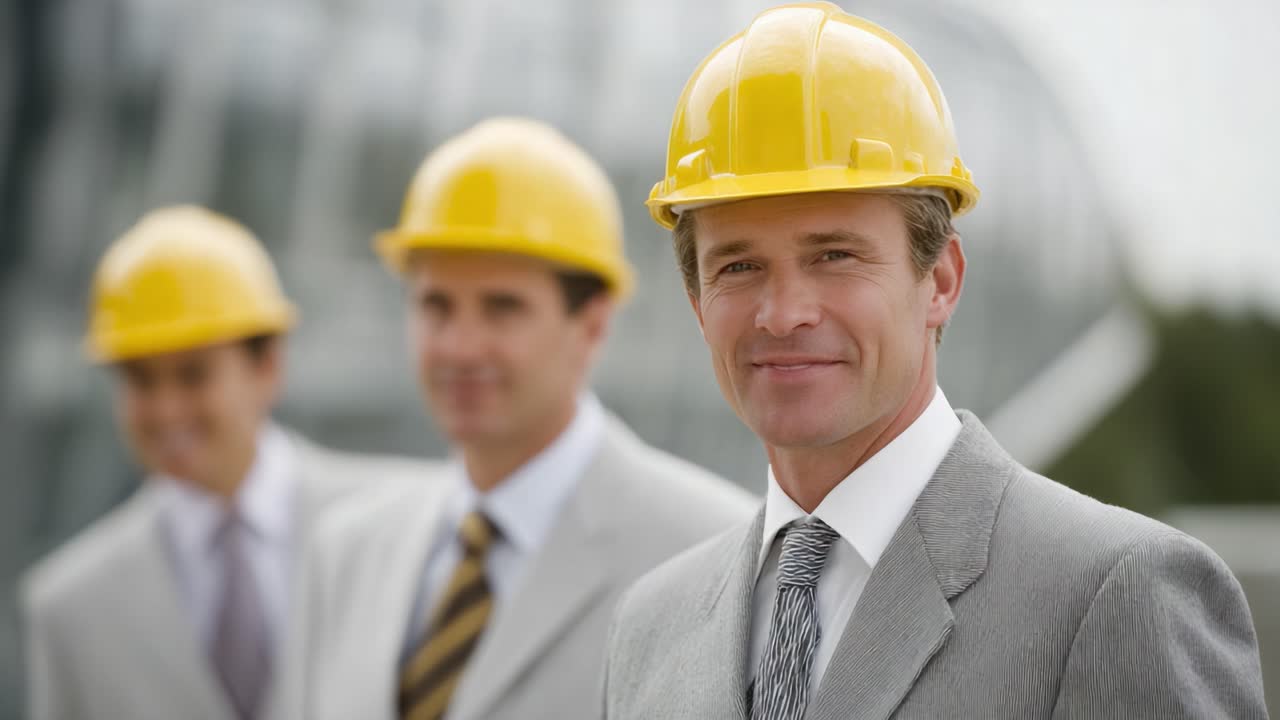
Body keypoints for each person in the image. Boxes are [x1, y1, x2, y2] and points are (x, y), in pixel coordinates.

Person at [603, 4, 1269, 719]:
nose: (783, 311)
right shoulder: (648, 627)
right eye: (738, 266)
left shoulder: (1118, 596)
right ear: (697, 300)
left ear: (942, 280)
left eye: (834, 256)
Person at [302, 117, 755, 720]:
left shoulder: (718, 554)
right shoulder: (345, 551)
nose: (460, 347)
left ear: (592, 325)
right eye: (436, 306)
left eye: (502, 308)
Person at [20, 206, 433, 720]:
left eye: (193, 375)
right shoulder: (68, 609)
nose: (167, 410)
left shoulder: (408, 525)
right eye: (140, 381)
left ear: (268, 366)